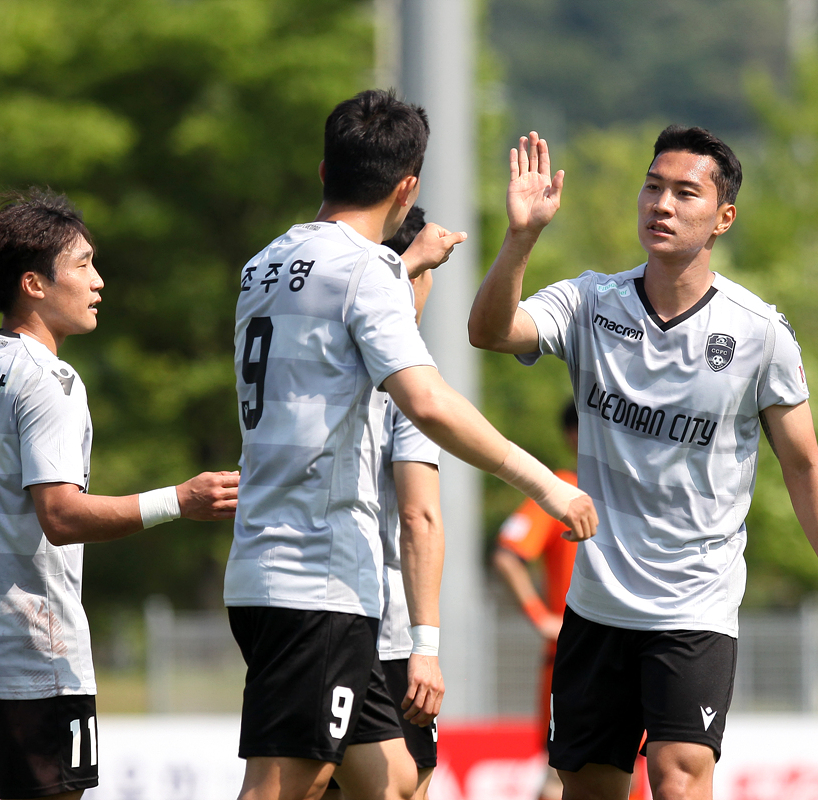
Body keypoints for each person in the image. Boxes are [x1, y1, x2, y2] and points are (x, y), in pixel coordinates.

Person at [467, 127, 818, 800]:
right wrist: (521, 238)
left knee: (680, 778)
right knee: (587, 788)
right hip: (597, 604)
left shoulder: (759, 333)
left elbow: (804, 465)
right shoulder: (590, 302)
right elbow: (488, 332)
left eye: (685, 193)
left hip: (695, 605)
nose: (662, 204)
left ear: (723, 217)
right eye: (653, 187)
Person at [226, 89, 598, 800]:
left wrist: (403, 268)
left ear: (324, 170)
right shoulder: (365, 270)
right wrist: (545, 483)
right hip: (314, 575)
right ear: (407, 188)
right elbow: (426, 400)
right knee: (283, 785)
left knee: (394, 782)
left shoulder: (263, 265)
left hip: (274, 564)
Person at [0, 190, 239, 800]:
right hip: (32, 655)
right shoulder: (48, 379)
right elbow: (61, 516)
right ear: (34, 284)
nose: (98, 281)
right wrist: (181, 499)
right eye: (84, 264)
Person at [324, 208, 444, 800]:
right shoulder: (411, 378)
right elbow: (419, 518)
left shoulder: (320, 359)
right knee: (404, 785)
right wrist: (426, 648)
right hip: (385, 628)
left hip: (308, 608)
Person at [492, 401, 578, 800]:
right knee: (562, 774)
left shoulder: (633, 492)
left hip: (630, 651)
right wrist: (540, 616)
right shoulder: (563, 490)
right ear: (574, 435)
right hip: (573, 658)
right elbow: (507, 556)